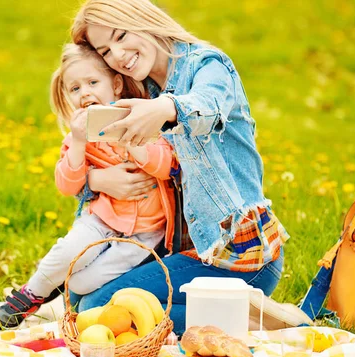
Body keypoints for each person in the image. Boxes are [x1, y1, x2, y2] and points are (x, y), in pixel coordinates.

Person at [68, 0, 290, 334]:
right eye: (106, 50)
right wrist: (96, 179)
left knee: (98, 308)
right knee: (77, 297)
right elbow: (97, 158)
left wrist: (166, 108)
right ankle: (233, 311)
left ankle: (254, 321)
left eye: (121, 35)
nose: (118, 54)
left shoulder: (207, 66)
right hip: (187, 251)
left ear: (144, 19)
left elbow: (208, 106)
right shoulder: (140, 86)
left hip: (239, 254)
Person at [0, 43, 176, 328]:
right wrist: (78, 141)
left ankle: (63, 285)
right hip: (102, 218)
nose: (85, 93)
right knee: (68, 252)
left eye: (93, 82)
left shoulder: (141, 118)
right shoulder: (79, 134)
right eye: (75, 89)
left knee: (81, 281)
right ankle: (32, 293)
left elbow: (166, 166)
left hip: (145, 234)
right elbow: (67, 183)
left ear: (116, 85)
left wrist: (132, 142)